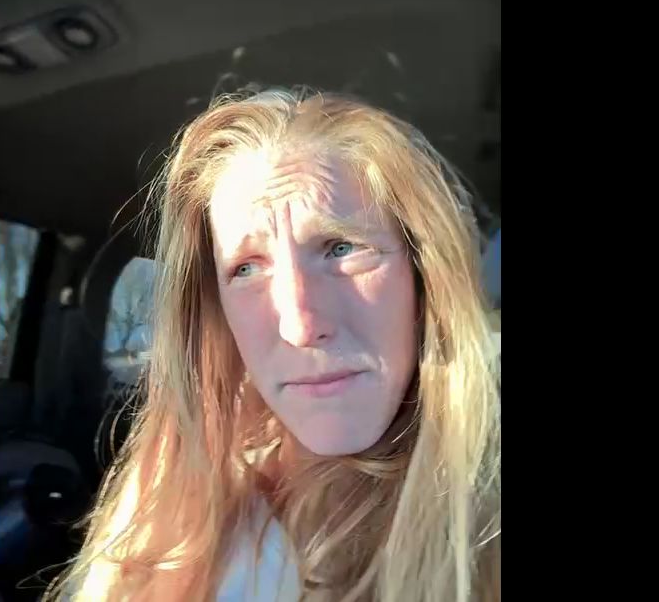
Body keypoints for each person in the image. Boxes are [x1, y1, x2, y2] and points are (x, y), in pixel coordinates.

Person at [47, 88, 501, 601]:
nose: (300, 326)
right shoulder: (161, 504)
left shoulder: (484, 524)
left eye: (341, 248)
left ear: (424, 276)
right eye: (246, 268)